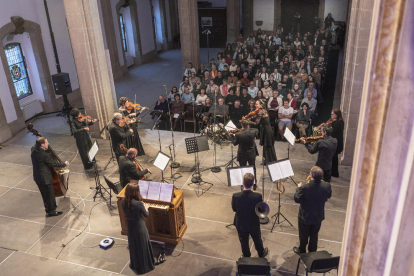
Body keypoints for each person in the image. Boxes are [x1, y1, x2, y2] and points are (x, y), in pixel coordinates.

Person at [293, 166, 332, 254]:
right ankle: (312, 251)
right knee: (314, 234)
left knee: (303, 235)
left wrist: (298, 188)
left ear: (311, 176)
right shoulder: (327, 186)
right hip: (318, 215)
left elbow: (296, 199)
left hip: (305, 216)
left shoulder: (304, 188)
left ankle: (302, 249)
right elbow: (328, 196)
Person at [231, 173, 268, 258]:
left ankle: (246, 255)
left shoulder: (236, 196)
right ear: (253, 184)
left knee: (243, 241)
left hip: (241, 223)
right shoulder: (258, 196)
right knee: (257, 238)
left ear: (243, 183)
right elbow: (259, 209)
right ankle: (261, 253)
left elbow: (234, 209)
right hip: (253, 222)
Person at [122, 183, 155, 274]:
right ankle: (145, 266)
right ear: (136, 192)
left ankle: (135, 264)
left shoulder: (123, 201)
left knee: (134, 245)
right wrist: (146, 207)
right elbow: (146, 214)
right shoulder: (139, 203)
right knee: (142, 245)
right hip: (139, 226)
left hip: (130, 225)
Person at [31, 137, 69, 217]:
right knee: (50, 195)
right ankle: (52, 211)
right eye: (46, 142)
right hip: (45, 178)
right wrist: (64, 164)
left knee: (44, 195)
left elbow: (36, 145)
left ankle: (48, 209)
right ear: (42, 144)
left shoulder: (33, 150)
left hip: (37, 177)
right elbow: (55, 163)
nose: (48, 143)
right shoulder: (44, 155)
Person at [246, 100, 277, 165]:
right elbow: (254, 116)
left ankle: (271, 161)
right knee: (265, 146)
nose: (255, 105)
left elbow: (256, 122)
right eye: (255, 104)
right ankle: (266, 160)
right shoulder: (260, 111)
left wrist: (248, 122)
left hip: (267, 130)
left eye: (257, 104)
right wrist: (248, 118)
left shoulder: (261, 111)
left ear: (261, 105)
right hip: (265, 130)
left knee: (268, 146)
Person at [231, 120, 259, 189]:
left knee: (242, 168)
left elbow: (234, 143)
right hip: (251, 153)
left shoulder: (238, 134)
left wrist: (231, 136)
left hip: (242, 153)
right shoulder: (254, 131)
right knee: (253, 168)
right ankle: (254, 183)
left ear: (242, 125)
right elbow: (255, 130)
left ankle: (243, 183)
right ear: (249, 125)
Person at [327, 109, 344, 177]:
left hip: (337, 142)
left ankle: (333, 172)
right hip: (334, 141)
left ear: (336, 115)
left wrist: (329, 123)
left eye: (332, 114)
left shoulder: (339, 122)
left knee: (334, 157)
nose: (331, 116)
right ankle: (333, 172)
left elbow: (333, 130)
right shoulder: (334, 121)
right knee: (333, 157)